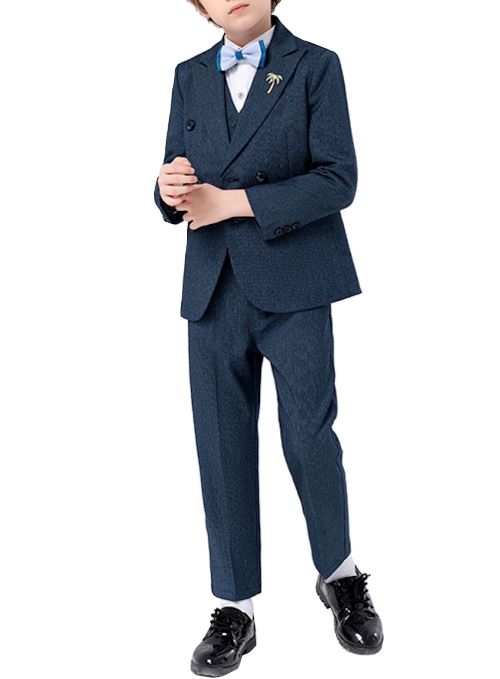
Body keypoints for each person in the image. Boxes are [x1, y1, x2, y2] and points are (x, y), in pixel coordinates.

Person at [154, 1, 384, 673]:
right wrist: (167, 189)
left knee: (309, 437)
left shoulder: (315, 66)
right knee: (221, 445)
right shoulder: (188, 75)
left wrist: (234, 202)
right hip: (213, 287)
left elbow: (338, 178)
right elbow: (173, 180)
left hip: (298, 282)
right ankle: (235, 608)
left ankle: (340, 574)